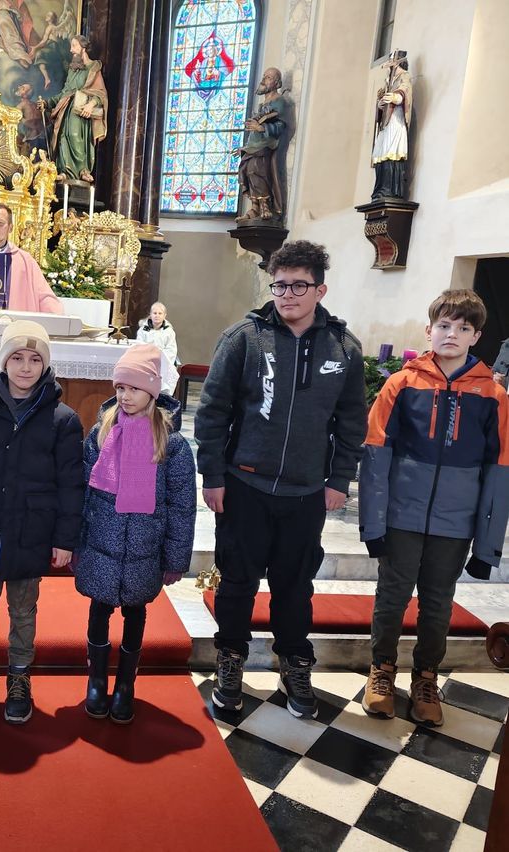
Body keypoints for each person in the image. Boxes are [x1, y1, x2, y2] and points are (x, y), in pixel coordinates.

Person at [195, 241, 367, 720]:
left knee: (295, 586)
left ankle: (293, 664)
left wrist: (340, 478)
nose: (287, 295)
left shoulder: (344, 348)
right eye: (280, 285)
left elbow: (352, 421)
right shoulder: (244, 338)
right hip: (244, 485)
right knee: (237, 583)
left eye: (298, 286)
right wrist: (213, 474)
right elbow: (212, 412)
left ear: (320, 290)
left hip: (306, 491)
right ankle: (230, 662)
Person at [360, 289, 509, 726]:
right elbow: (375, 455)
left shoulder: (492, 395)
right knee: (391, 597)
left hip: (455, 522)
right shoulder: (401, 384)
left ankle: (426, 677)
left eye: (463, 328)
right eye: (444, 325)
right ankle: (381, 669)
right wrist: (373, 523)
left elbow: (500, 470)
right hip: (402, 515)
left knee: (439, 603)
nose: (452, 334)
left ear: (476, 336)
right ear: (429, 330)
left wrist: (487, 546)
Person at [0, 320, 84, 724]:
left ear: (45, 365)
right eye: (17, 357)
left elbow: (71, 484)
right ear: (4, 361)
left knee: (24, 612)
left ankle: (19, 675)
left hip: (33, 529)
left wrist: (65, 539)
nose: (26, 367)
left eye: (34, 359)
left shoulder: (63, 419)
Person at [74, 345, 196, 724]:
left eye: (134, 388)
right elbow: (82, 493)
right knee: (98, 609)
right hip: (101, 543)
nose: (125, 396)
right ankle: (96, 680)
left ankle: (126, 683)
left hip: (145, 547)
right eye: (120, 388)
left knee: (135, 613)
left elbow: (182, 507)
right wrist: (77, 543)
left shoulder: (172, 444)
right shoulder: (102, 432)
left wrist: (175, 559)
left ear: (153, 391)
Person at [38, 34, 107, 183]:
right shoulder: (73, 70)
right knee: (63, 137)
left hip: (81, 110)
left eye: (74, 46)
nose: (71, 50)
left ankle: (83, 170)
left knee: (75, 136)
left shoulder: (93, 68)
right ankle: (65, 172)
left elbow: (100, 93)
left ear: (83, 48)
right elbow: (65, 92)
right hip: (66, 110)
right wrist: (47, 103)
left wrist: (91, 104)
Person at [235, 67, 286, 223]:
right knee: (247, 171)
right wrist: (244, 148)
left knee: (257, 170)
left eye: (268, 77)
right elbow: (253, 133)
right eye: (264, 76)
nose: (263, 80)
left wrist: (262, 128)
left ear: (277, 83)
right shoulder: (262, 105)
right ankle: (255, 207)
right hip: (253, 147)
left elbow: (281, 126)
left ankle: (265, 205)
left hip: (265, 147)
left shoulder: (278, 101)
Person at [371, 50, 412, 200]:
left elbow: (405, 91)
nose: (389, 68)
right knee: (379, 153)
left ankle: (390, 189)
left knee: (391, 151)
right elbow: (382, 100)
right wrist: (380, 105)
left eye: (391, 64)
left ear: (398, 64)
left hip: (396, 121)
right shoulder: (388, 81)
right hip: (385, 123)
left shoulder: (404, 76)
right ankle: (380, 189)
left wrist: (395, 97)